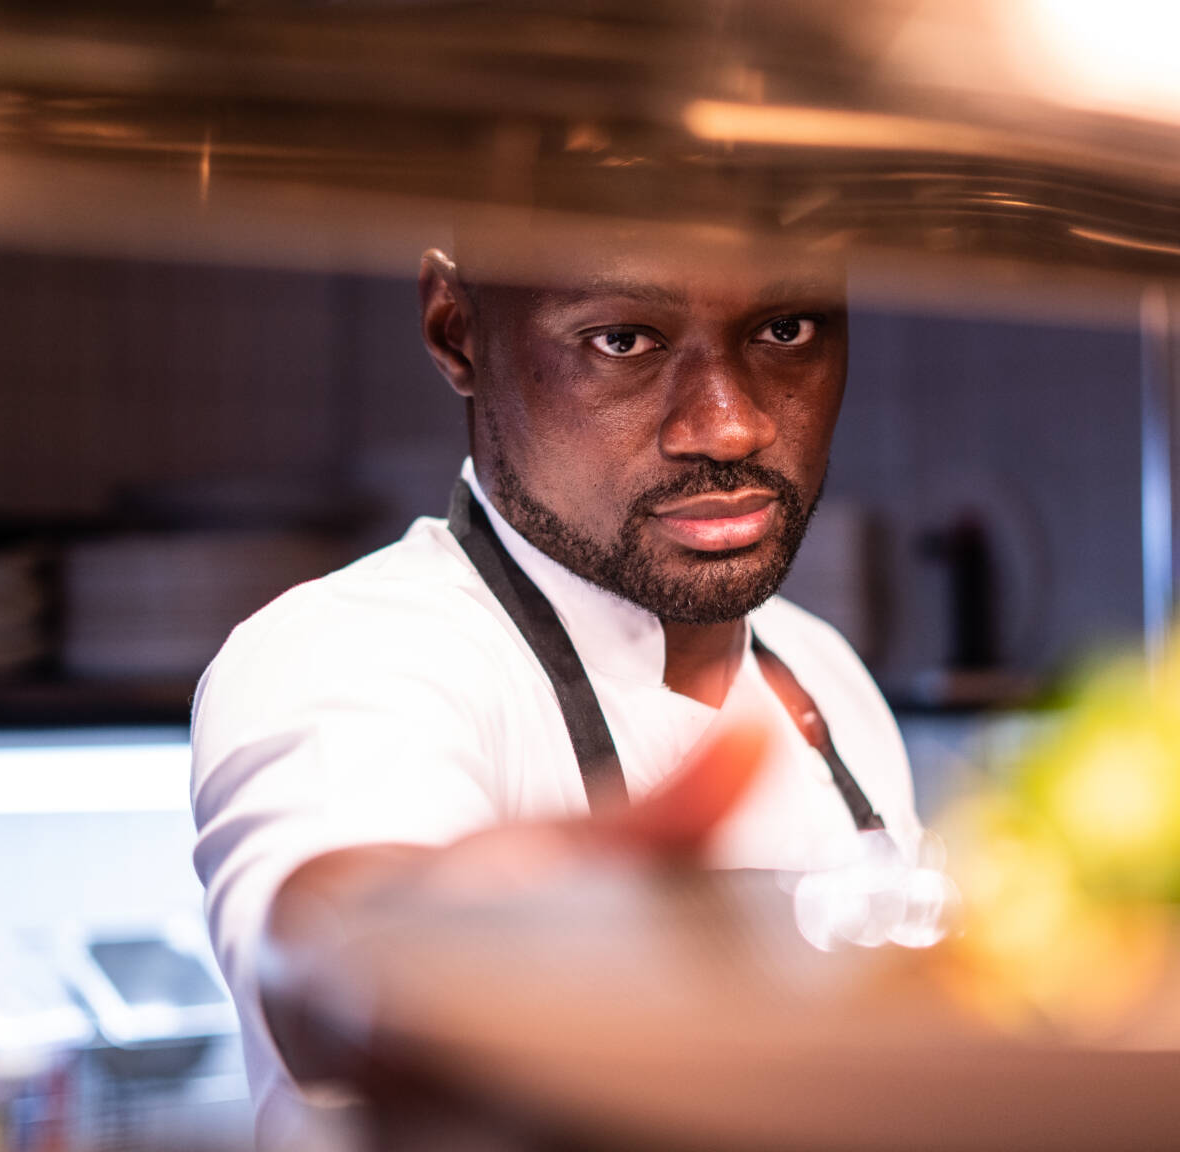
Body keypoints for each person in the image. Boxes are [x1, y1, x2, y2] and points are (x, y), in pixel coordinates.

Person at [189, 219, 920, 1148]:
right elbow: (319, 962)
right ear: (457, 330)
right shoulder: (346, 654)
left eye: (787, 330)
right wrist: (425, 953)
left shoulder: (824, 672)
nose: (733, 423)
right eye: (622, 340)